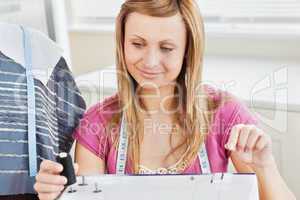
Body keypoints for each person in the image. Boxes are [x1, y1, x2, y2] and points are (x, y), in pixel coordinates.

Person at [34, 0, 296, 199]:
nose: (149, 61)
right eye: (137, 44)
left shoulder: (224, 113)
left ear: (187, 52)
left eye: (166, 48)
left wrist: (264, 166)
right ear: (122, 43)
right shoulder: (98, 123)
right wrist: (59, 193)